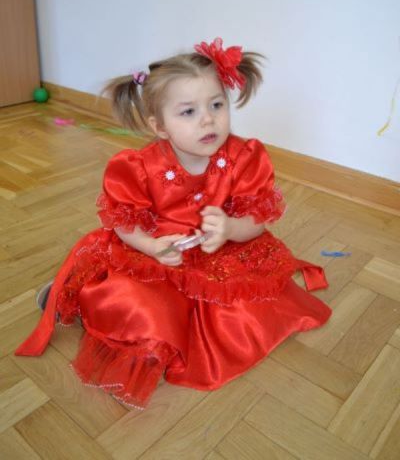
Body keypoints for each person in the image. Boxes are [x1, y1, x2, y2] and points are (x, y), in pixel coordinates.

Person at [16, 37, 331, 409]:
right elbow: (125, 224)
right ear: (160, 126)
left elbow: (257, 220)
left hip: (221, 255)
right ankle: (79, 296)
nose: (208, 119)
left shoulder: (244, 157)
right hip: (155, 254)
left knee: (249, 308)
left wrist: (231, 228)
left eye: (217, 105)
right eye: (188, 112)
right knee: (140, 305)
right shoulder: (139, 167)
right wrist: (150, 246)